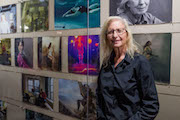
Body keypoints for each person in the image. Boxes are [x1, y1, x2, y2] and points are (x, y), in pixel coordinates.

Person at [96, 16, 159, 120]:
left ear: (127, 34)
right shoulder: (106, 63)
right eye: (110, 32)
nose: (115, 35)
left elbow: (151, 106)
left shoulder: (140, 62)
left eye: (119, 31)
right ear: (106, 37)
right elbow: (100, 97)